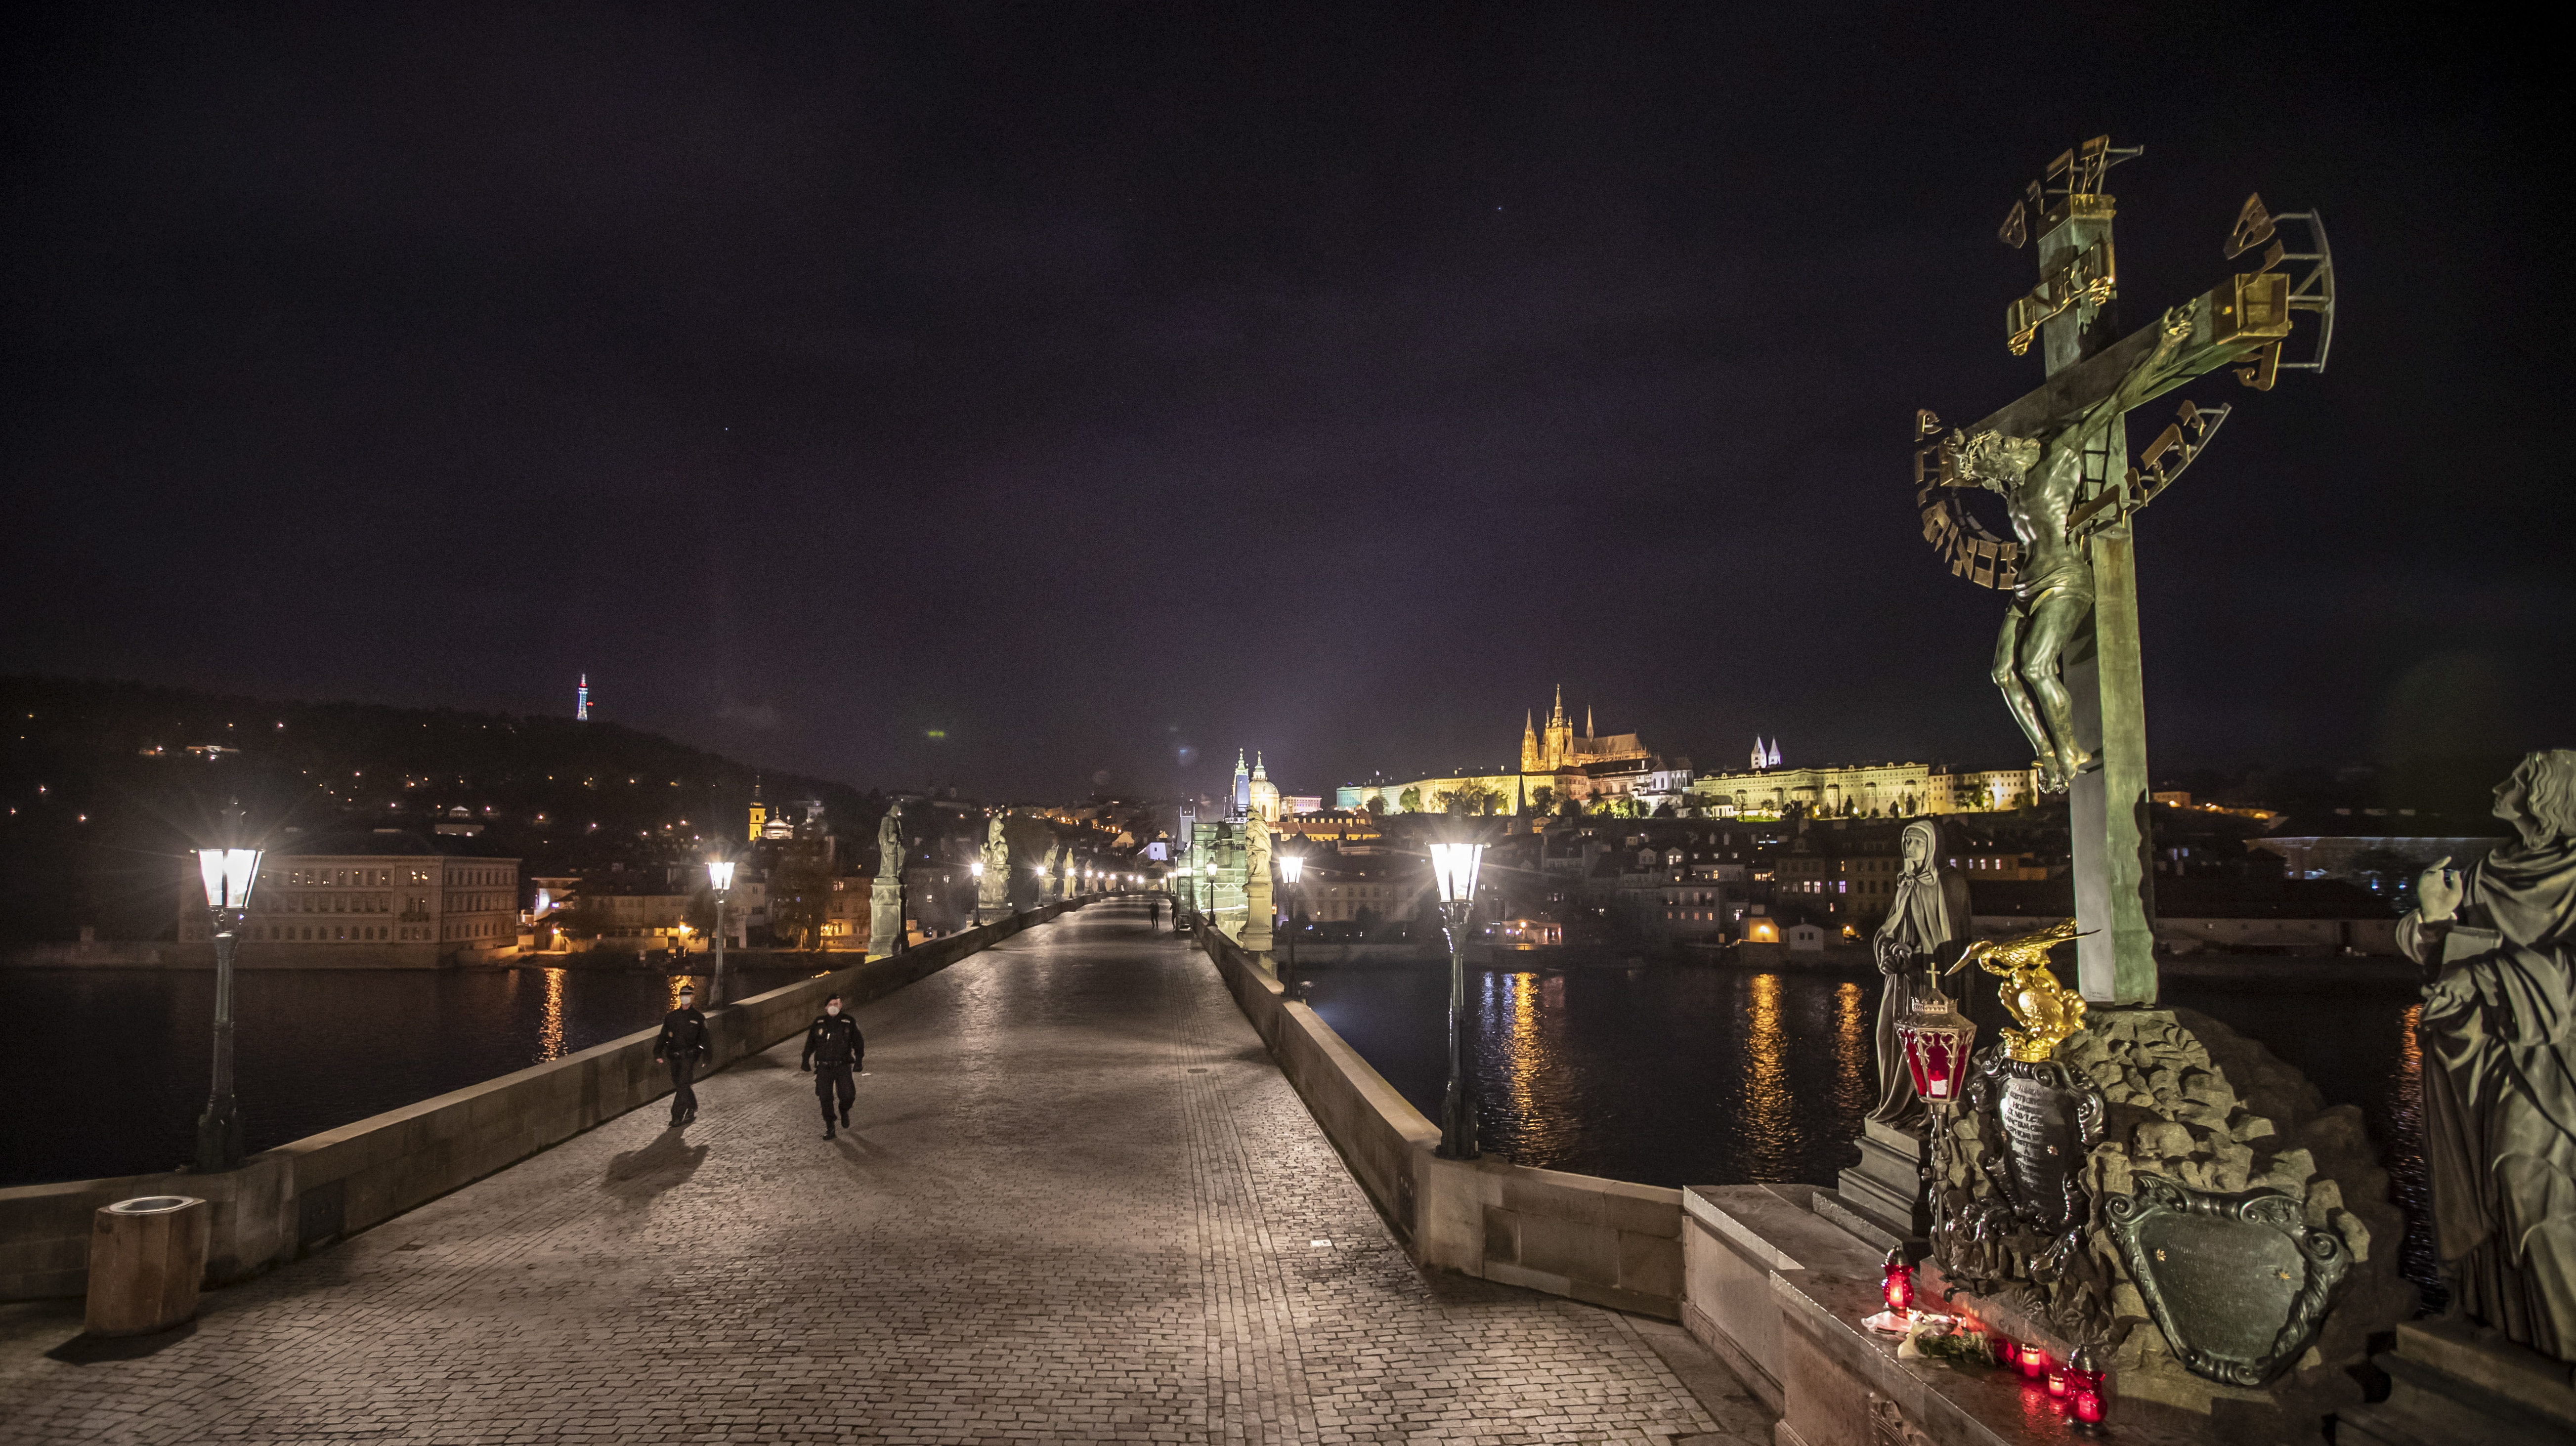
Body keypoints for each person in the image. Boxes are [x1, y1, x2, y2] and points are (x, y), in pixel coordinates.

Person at [2401, 749, 2576, 1362]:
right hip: (2479, 1062)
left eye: (2520, 780)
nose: (2500, 787)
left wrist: (2486, 978)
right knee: (2491, 1192)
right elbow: (2432, 944)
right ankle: (2502, 1320)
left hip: (2553, 1069)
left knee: (2529, 1187)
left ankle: (2563, 1344)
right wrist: (2431, 917)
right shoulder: (2491, 868)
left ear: (2550, 796)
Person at [800, 993, 866, 1140]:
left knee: (848, 1095)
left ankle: (844, 1110)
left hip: (842, 1066)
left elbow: (858, 1042)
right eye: (830, 1005)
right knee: (825, 1098)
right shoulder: (819, 1023)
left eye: (836, 1004)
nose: (833, 1007)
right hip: (824, 1067)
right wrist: (805, 1060)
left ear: (841, 1006)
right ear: (826, 1007)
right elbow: (810, 1043)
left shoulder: (849, 1022)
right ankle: (830, 1126)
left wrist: (859, 1060)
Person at [653, 984, 711, 1127]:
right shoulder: (672, 1017)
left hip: (689, 1057)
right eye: (683, 996)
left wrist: (707, 1056)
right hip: (674, 1057)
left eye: (688, 995)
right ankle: (692, 1106)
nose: (685, 998)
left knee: (683, 1083)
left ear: (692, 997)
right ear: (680, 998)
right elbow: (663, 1036)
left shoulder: (698, 1018)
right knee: (679, 1083)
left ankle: (677, 1115)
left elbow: (705, 1039)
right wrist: (657, 1052)